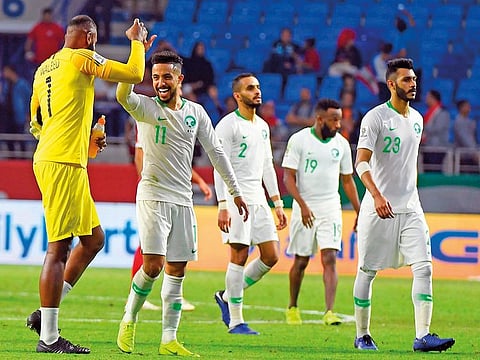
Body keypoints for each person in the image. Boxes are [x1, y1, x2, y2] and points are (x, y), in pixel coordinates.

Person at [25, 15, 154, 354]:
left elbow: (37, 124)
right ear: (89, 36)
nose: (95, 45)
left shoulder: (44, 68)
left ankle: (45, 316)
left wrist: (84, 143)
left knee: (94, 240)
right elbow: (134, 74)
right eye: (94, 40)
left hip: (58, 157)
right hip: (62, 163)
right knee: (59, 249)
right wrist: (137, 42)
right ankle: (49, 338)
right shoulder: (81, 57)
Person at [115, 50, 248, 356]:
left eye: (166, 76)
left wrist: (235, 191)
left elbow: (217, 153)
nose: (160, 82)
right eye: (155, 76)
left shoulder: (196, 113)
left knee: (177, 270)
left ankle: (168, 339)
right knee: (153, 265)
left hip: (182, 200)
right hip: (152, 194)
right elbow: (123, 93)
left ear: (179, 79)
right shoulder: (145, 107)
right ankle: (129, 317)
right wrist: (137, 50)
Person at [353, 58, 455, 352]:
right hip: (378, 209)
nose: (413, 84)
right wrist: (375, 195)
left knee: (424, 268)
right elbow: (360, 163)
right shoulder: (375, 118)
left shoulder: (418, 119)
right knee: (367, 271)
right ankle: (362, 334)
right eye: (407, 80)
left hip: (410, 207)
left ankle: (422, 336)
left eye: (414, 79)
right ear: (391, 84)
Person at [213, 73, 288, 335]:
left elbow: (267, 165)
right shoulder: (227, 125)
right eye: (250, 88)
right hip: (236, 198)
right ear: (237, 95)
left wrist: (277, 201)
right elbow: (218, 166)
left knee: (271, 255)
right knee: (240, 255)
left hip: (259, 198)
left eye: (257, 87)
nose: (257, 92)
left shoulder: (263, 126)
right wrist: (223, 203)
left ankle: (227, 295)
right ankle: (236, 321)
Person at [283, 98, 360, 326]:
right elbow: (288, 177)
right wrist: (302, 205)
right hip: (304, 207)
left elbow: (347, 181)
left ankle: (329, 312)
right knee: (301, 261)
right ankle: (292, 307)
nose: (338, 125)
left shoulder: (342, 145)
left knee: (329, 258)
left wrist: (359, 211)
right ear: (319, 119)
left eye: (340, 119)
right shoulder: (299, 140)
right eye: (333, 120)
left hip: (330, 207)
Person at [130, 135, 213, 311]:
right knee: (148, 247)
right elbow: (139, 155)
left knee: (175, 248)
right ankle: (137, 296)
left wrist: (199, 181)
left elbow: (177, 162)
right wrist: (147, 184)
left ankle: (176, 296)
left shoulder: (175, 120)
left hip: (175, 195)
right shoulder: (147, 118)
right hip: (154, 195)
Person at [328, 28, 378, 95]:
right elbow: (335, 62)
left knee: (354, 70)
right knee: (332, 70)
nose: (352, 41)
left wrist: (349, 62)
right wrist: (342, 62)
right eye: (350, 39)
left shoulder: (355, 50)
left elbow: (358, 63)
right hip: (341, 69)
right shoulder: (340, 50)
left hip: (352, 68)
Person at [1, 64, 31, 154]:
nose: (4, 74)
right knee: (9, 140)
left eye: (6, 71)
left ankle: (23, 158)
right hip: (8, 117)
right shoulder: (6, 85)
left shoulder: (22, 84)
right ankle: (12, 158)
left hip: (20, 116)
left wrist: (28, 113)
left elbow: (29, 99)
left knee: (21, 138)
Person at [24, 8, 64, 75]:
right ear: (43, 16)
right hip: (40, 60)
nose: (47, 18)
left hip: (54, 60)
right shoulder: (37, 27)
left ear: (52, 16)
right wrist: (28, 51)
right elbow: (29, 41)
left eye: (49, 16)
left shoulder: (57, 28)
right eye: (46, 16)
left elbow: (63, 41)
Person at [422, 90, 451, 172]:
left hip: (437, 147)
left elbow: (438, 128)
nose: (426, 100)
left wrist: (422, 126)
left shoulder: (442, 113)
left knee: (434, 170)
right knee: (427, 170)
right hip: (427, 146)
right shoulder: (429, 112)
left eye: (427, 97)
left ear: (433, 98)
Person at [453, 99, 480, 169]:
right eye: (467, 106)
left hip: (472, 153)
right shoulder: (458, 122)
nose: (469, 108)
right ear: (461, 108)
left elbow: (473, 138)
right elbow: (464, 139)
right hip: (464, 155)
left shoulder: (471, 122)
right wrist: (475, 152)